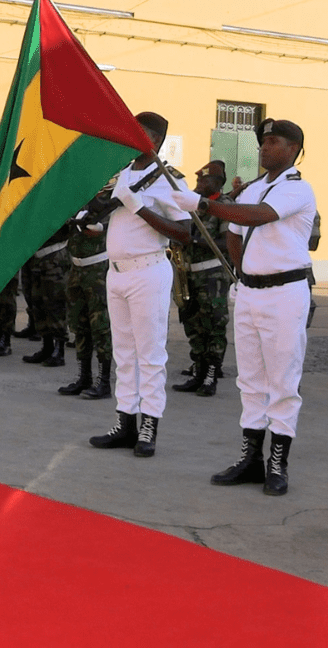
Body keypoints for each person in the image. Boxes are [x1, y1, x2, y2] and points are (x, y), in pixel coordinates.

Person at [173, 120, 316, 497]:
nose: (265, 148)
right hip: (252, 291)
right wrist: (243, 272)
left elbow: (258, 216)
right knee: (250, 380)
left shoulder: (296, 188)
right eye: (263, 142)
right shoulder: (255, 187)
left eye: (274, 141)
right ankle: (251, 457)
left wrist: (206, 204)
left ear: (294, 148)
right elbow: (235, 235)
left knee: (282, 380)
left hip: (285, 291)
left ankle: (278, 463)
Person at [89, 112, 191, 458]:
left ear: (157, 141)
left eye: (141, 133)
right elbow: (118, 221)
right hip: (116, 272)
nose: (132, 138)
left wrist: (141, 209)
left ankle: (149, 425)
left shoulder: (168, 180)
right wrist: (96, 228)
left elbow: (185, 233)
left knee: (150, 354)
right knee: (124, 353)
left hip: (148, 272)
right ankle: (125, 420)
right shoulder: (120, 175)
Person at [171, 160, 234, 397]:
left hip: (212, 274)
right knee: (193, 325)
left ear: (217, 183)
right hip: (190, 273)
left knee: (213, 325)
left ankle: (211, 375)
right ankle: (198, 372)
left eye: (204, 180)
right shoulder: (193, 206)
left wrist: (194, 241)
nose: (198, 184)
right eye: (198, 180)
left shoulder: (224, 205)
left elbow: (227, 243)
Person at [59, 213, 113, 398]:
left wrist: (75, 221)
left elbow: (96, 229)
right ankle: (84, 377)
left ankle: (104, 381)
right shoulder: (77, 200)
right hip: (76, 270)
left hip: (97, 271)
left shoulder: (109, 200)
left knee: (100, 327)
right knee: (79, 325)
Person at [21, 227, 70, 367]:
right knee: (38, 303)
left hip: (54, 255)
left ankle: (59, 349)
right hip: (35, 256)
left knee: (56, 304)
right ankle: (47, 346)